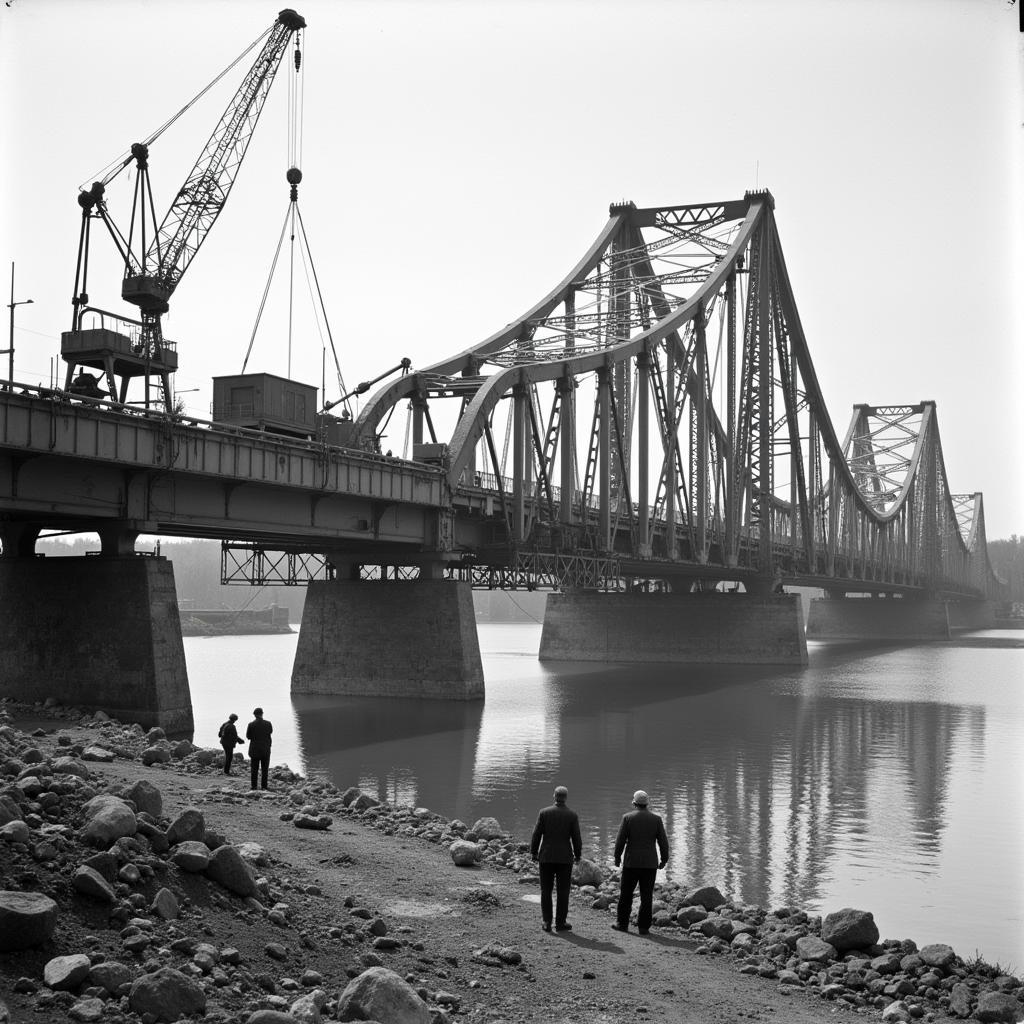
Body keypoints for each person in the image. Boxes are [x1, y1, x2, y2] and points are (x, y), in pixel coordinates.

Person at [612, 790, 669, 935]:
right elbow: (663, 842)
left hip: (631, 862)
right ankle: (644, 928)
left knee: (626, 894)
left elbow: (620, 840)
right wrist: (664, 859)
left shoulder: (627, 818)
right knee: (646, 896)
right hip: (650, 864)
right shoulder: (656, 819)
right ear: (647, 804)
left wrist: (617, 857)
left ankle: (622, 923)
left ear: (634, 803)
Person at [530, 785, 582, 933]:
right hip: (565, 858)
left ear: (554, 796)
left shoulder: (544, 813)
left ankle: (546, 922)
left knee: (545, 890)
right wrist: (578, 855)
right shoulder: (572, 815)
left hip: (546, 856)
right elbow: (576, 838)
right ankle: (560, 923)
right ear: (565, 798)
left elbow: (537, 834)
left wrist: (534, 852)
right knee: (563, 891)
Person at [245, 707, 273, 790]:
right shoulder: (268, 723)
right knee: (265, 769)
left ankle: (254, 786)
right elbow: (270, 732)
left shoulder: (251, 724)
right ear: (262, 714)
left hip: (254, 750)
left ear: (254, 715)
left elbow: (248, 736)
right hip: (265, 749)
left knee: (254, 769)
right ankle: (264, 786)